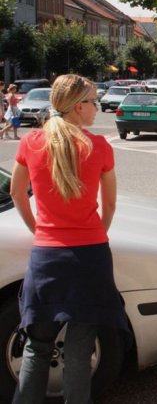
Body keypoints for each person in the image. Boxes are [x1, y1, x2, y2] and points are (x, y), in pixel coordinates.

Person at [10, 74, 129, 403]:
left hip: (47, 257)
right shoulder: (99, 146)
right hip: (89, 257)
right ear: (78, 107)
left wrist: (38, 229)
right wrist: (97, 232)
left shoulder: (32, 142)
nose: (96, 107)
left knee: (37, 346)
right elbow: (110, 204)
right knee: (79, 350)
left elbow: (17, 193)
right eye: (93, 101)